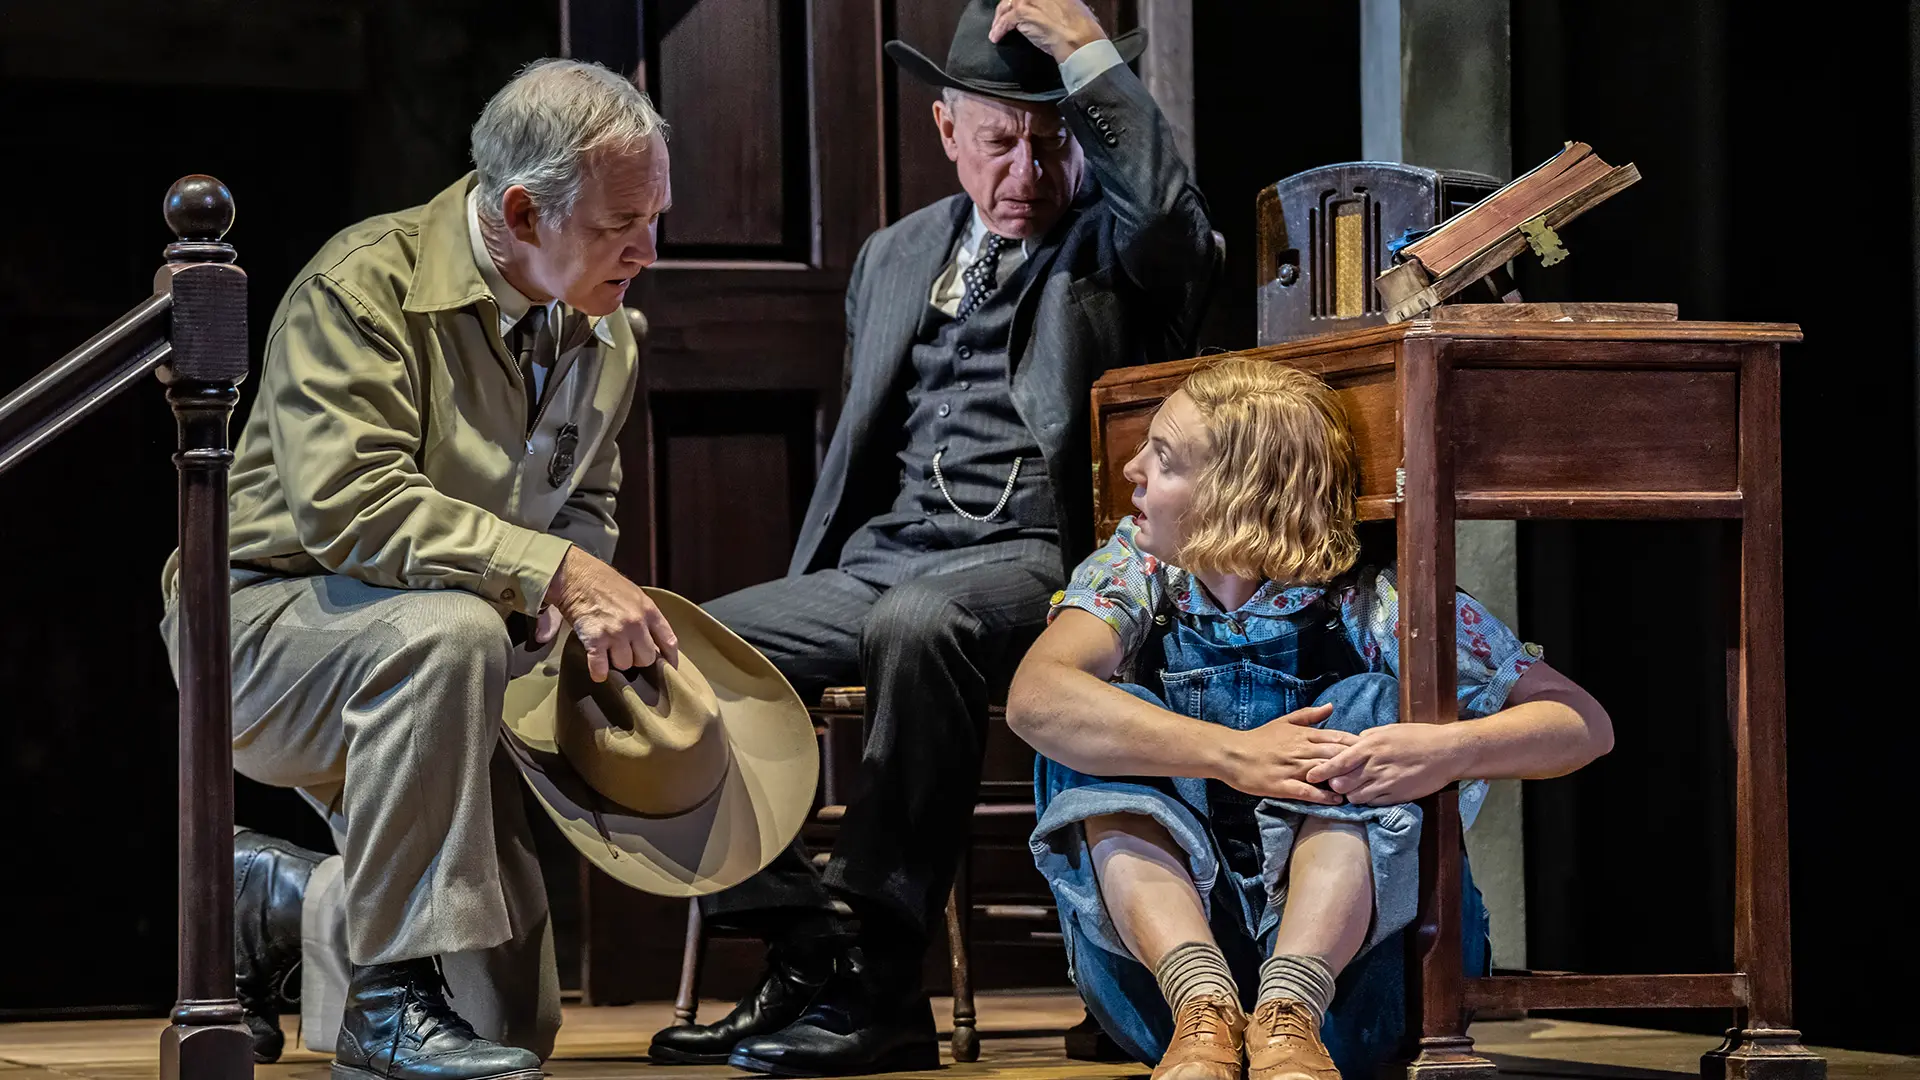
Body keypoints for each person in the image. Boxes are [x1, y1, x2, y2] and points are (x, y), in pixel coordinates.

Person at [645, 0, 1217, 1074]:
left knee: (922, 623)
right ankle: (805, 936)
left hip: (1036, 556)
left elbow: (1172, 220)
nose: (1027, 175)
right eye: (1000, 143)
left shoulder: (1121, 248)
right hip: (883, 558)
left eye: (1050, 146)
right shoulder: (894, 254)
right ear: (947, 131)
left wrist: (1088, 57)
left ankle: (883, 983)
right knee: (677, 647)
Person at [160, 59, 678, 1079]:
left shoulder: (608, 327)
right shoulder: (364, 283)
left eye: (656, 214)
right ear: (524, 211)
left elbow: (587, 504)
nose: (649, 250)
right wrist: (548, 573)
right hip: (263, 634)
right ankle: (387, 1003)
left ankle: (279, 900)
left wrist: (563, 588)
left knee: (508, 1026)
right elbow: (352, 508)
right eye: (624, 223)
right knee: (450, 629)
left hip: (447, 660)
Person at [1005, 359, 1614, 1080]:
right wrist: (1234, 755)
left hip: (1358, 987)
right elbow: (1036, 697)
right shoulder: (1134, 570)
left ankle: (1289, 1009)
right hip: (1170, 1001)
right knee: (1095, 717)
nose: (1133, 469)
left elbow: (1583, 722)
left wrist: (1449, 749)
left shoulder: (1370, 599)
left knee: (1370, 706)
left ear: (1236, 494)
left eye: (1163, 459)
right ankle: (1205, 1003)